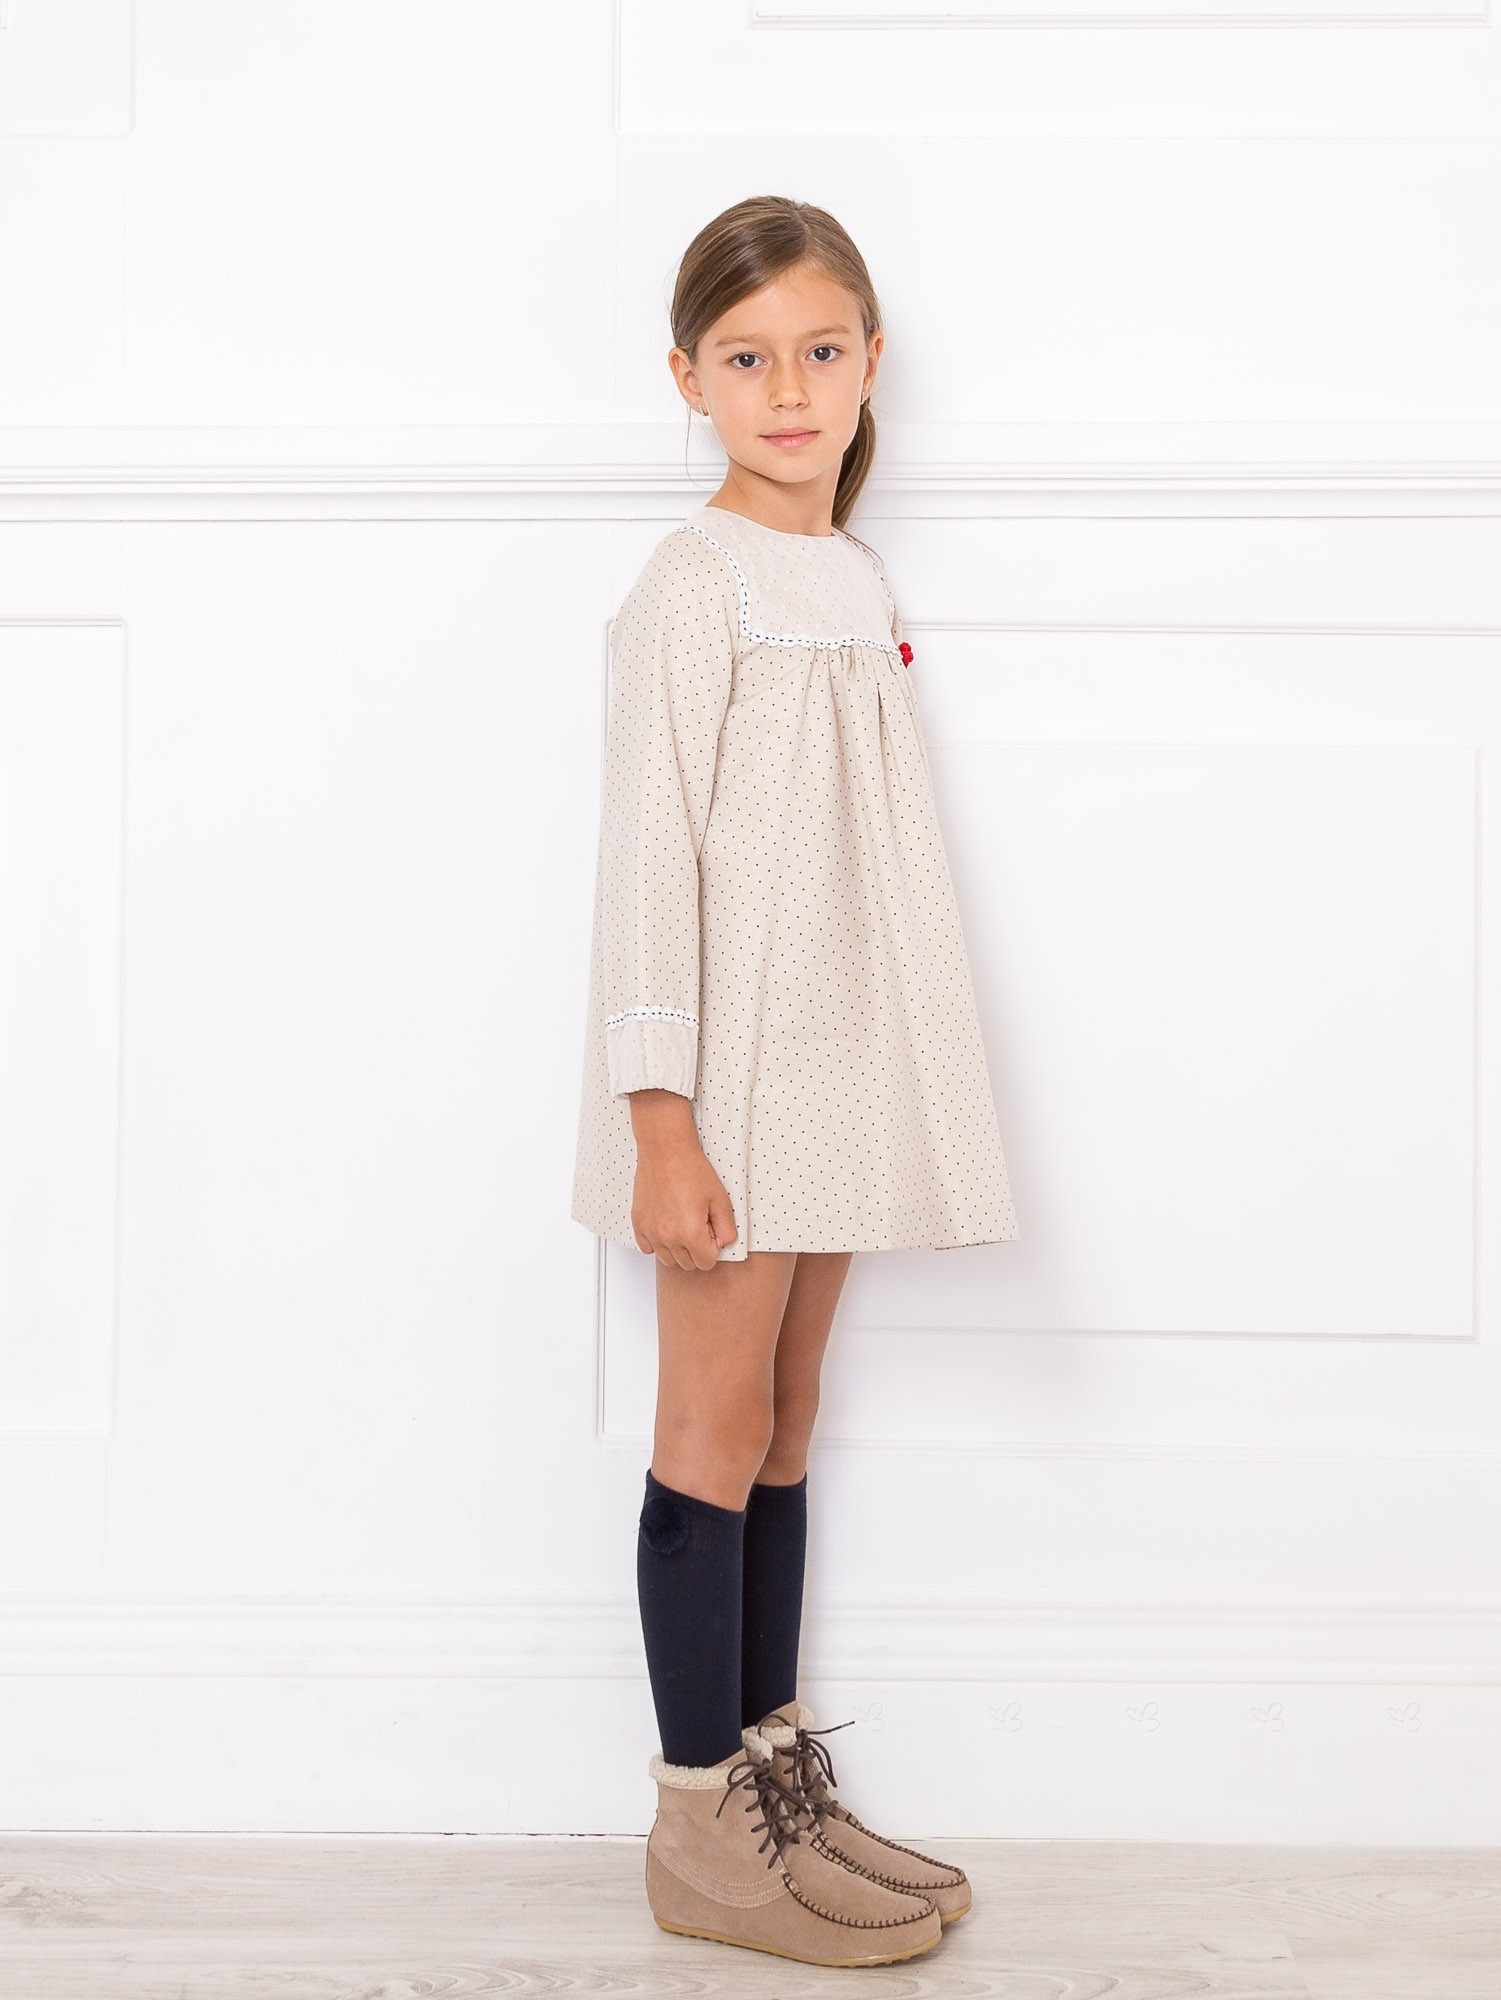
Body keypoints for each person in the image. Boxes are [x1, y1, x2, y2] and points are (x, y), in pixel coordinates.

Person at [569, 195, 1018, 1968]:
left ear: (871, 361)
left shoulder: (855, 574)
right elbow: (648, 860)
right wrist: (658, 1115)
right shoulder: (695, 586)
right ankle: (699, 1830)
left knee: (786, 1417)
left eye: (820, 352)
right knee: (709, 1425)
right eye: (746, 360)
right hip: (727, 1078)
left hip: (836, 1063)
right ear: (689, 379)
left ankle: (772, 1781)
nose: (788, 391)